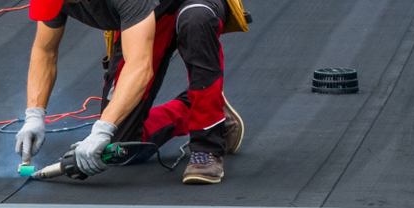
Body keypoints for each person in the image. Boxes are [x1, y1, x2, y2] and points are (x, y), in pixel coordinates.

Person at [15, 0, 244, 185]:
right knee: (117, 145)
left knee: (197, 20)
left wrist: (101, 129)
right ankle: (198, 106)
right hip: (144, 18)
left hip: (191, 3)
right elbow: (45, 51)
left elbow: (140, 67)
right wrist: (34, 116)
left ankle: (207, 147)